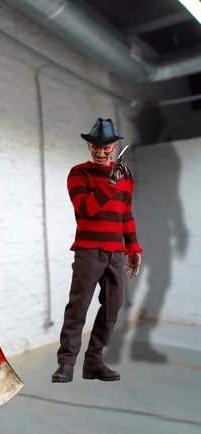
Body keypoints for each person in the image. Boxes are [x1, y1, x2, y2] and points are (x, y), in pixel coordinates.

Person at [51, 118, 143, 384]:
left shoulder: (125, 176)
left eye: (106, 147)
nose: (100, 152)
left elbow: (126, 214)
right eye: (95, 146)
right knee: (78, 305)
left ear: (114, 147)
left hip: (116, 252)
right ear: (89, 146)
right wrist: (109, 185)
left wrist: (133, 248)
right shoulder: (78, 173)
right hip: (88, 250)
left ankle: (93, 361)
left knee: (113, 305)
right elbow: (86, 209)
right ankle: (66, 364)